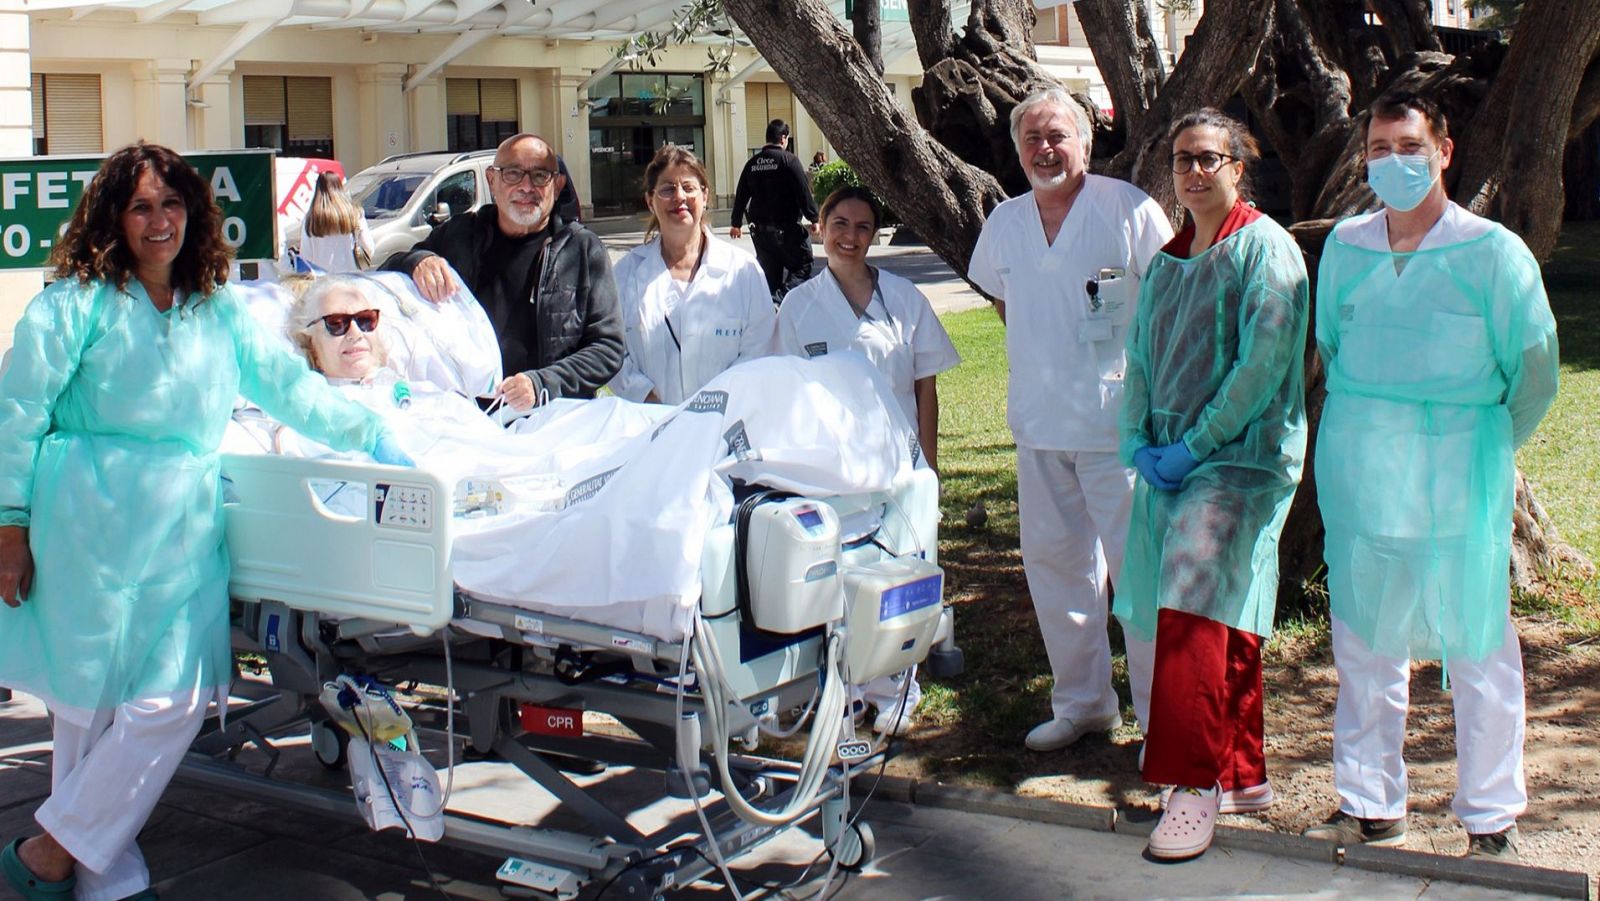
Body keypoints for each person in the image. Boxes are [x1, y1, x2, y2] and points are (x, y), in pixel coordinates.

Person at [0, 142, 408, 901]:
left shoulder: (217, 309)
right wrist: (9, 524)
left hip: (181, 529)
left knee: (173, 701)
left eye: (173, 203)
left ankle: (47, 848)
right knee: (89, 711)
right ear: (113, 219)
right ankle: (104, 881)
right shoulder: (74, 306)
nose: (161, 221)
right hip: (87, 524)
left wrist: (371, 435)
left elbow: (290, 388)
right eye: (142, 206)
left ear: (194, 211)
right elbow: (15, 414)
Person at [1303, 91, 1560, 862]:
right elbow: (1332, 346)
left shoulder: (1493, 252)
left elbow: (1536, 374)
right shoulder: (1346, 246)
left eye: (1409, 147)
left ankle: (1489, 819)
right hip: (1362, 477)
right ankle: (1371, 805)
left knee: (1479, 648)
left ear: (1444, 151)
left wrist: (1477, 444)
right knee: (1363, 645)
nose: (1394, 162)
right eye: (1379, 149)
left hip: (1461, 479)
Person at [1113, 110, 1310, 861]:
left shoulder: (1268, 249)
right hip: (1171, 454)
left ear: (1239, 165)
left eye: (1208, 159)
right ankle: (1240, 769)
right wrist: (1139, 439)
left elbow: (1262, 365)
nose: (1194, 173)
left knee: (1191, 597)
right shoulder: (1166, 260)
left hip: (1242, 455)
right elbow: (1142, 356)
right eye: (1182, 161)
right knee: (1213, 602)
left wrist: (1196, 443)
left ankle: (1191, 785)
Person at [967, 86, 1173, 753]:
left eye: (1058, 135)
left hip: (1122, 431)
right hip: (1040, 426)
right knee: (1057, 570)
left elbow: (1169, 306)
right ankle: (1083, 704)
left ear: (1086, 141)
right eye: (1032, 138)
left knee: (1139, 578)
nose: (1045, 149)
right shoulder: (1005, 222)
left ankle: (1162, 718)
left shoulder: (1128, 210)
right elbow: (1010, 305)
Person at [778, 186, 961, 735]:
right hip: (831, 470)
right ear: (820, 227)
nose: (849, 236)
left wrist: (927, 467)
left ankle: (899, 687)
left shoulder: (905, 299)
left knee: (903, 572)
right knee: (847, 577)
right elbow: (788, 393)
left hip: (900, 463)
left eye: (862, 226)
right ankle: (852, 687)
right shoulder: (798, 306)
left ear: (873, 234)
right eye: (839, 223)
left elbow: (926, 388)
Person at [383, 132, 622, 412]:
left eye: (540, 176)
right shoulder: (459, 235)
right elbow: (384, 277)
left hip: (552, 420)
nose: (526, 187)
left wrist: (542, 384)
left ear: (557, 186)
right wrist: (417, 261)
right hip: (465, 417)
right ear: (492, 180)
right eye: (512, 174)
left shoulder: (582, 249)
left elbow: (607, 348)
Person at [609, 145, 777, 405]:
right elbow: (613, 352)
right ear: (650, 201)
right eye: (667, 189)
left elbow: (762, 348)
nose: (679, 197)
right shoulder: (626, 274)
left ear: (705, 195)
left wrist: (715, 408)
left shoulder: (743, 271)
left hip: (725, 425)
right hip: (648, 426)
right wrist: (645, 397)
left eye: (688, 187)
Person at [730, 119, 820, 302]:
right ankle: (778, 302)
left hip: (762, 234)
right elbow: (804, 192)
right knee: (803, 265)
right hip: (787, 230)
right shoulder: (789, 160)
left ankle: (771, 313)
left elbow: (741, 195)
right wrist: (814, 218)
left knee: (770, 277)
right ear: (783, 138)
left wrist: (735, 223)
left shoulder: (752, 163)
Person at [299, 170, 374, 273]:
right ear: (339, 188)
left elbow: (305, 256)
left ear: (318, 189)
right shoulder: (355, 214)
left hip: (322, 281)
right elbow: (369, 248)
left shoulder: (310, 219)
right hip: (351, 278)